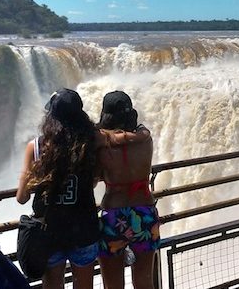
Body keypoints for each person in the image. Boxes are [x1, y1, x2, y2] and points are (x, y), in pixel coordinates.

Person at [16, 89, 150, 289]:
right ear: (80, 114)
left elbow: (21, 197)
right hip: (84, 231)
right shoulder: (90, 143)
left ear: (50, 116)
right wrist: (143, 134)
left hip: (49, 232)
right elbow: (100, 169)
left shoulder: (35, 147)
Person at [96, 91, 159, 289]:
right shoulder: (145, 138)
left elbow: (95, 177)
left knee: (113, 285)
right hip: (145, 212)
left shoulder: (101, 144)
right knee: (145, 283)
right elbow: (143, 132)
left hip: (113, 216)